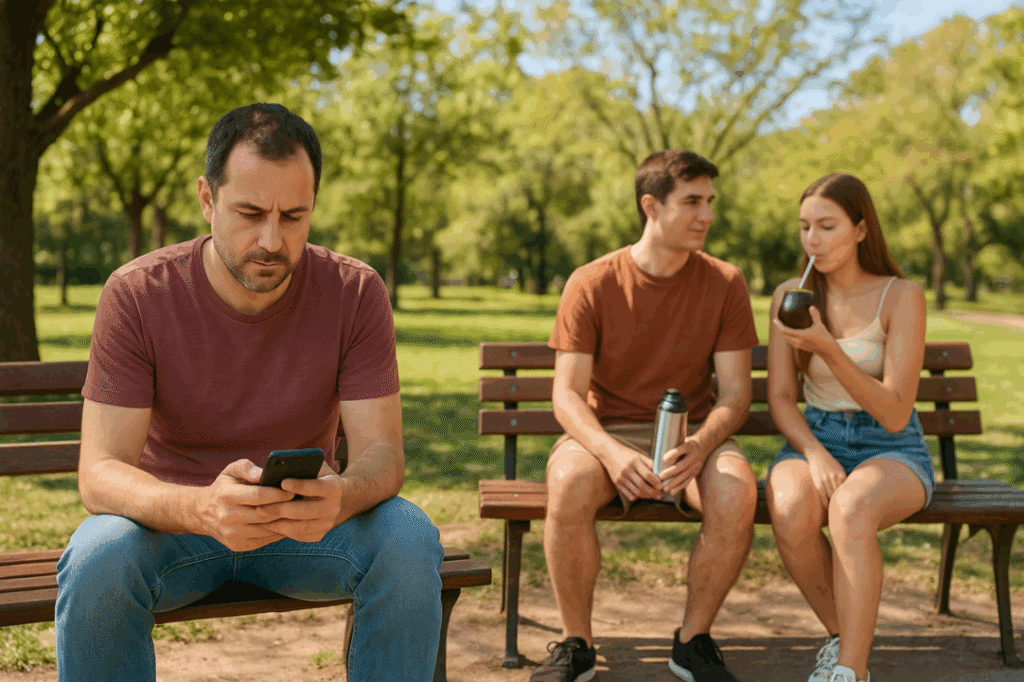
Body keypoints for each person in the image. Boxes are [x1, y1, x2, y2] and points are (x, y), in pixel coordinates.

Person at [55, 103, 444, 682]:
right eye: (250, 212)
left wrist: (342, 495)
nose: (271, 239)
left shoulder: (355, 292)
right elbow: (99, 472)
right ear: (207, 199)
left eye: (293, 216)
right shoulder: (137, 294)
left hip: (305, 530)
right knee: (97, 555)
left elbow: (383, 456)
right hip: (175, 530)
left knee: (410, 536)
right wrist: (201, 508)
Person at [532, 149, 760, 682]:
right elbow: (566, 395)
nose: (707, 215)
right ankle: (576, 645)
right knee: (566, 484)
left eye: (710, 202)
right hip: (605, 433)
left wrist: (702, 446)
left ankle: (692, 640)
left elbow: (734, 396)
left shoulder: (726, 283)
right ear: (650, 206)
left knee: (736, 490)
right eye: (692, 202)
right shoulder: (591, 282)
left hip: (691, 438)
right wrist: (610, 453)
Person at [765, 173, 933, 682]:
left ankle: (848, 671)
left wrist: (828, 350)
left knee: (852, 506)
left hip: (891, 448)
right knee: (792, 506)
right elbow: (779, 397)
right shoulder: (789, 296)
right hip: (815, 434)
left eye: (827, 226)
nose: (813, 240)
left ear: (860, 230)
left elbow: (895, 412)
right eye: (805, 228)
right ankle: (844, 639)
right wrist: (814, 453)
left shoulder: (901, 296)